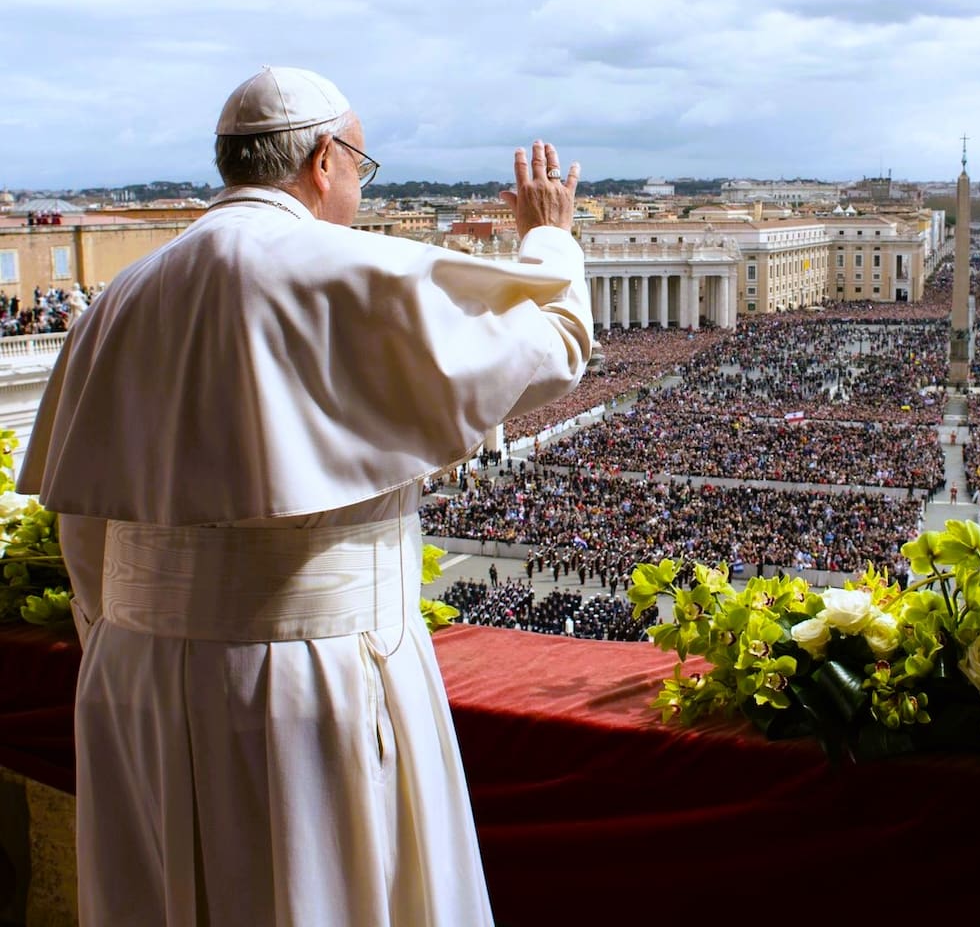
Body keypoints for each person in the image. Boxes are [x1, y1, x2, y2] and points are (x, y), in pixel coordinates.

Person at [18, 65, 593, 927]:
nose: (361, 185)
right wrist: (550, 238)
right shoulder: (351, 271)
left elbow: (85, 527)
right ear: (325, 159)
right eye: (363, 163)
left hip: (129, 679)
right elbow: (550, 346)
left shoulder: (119, 298)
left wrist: (133, 637)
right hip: (305, 675)